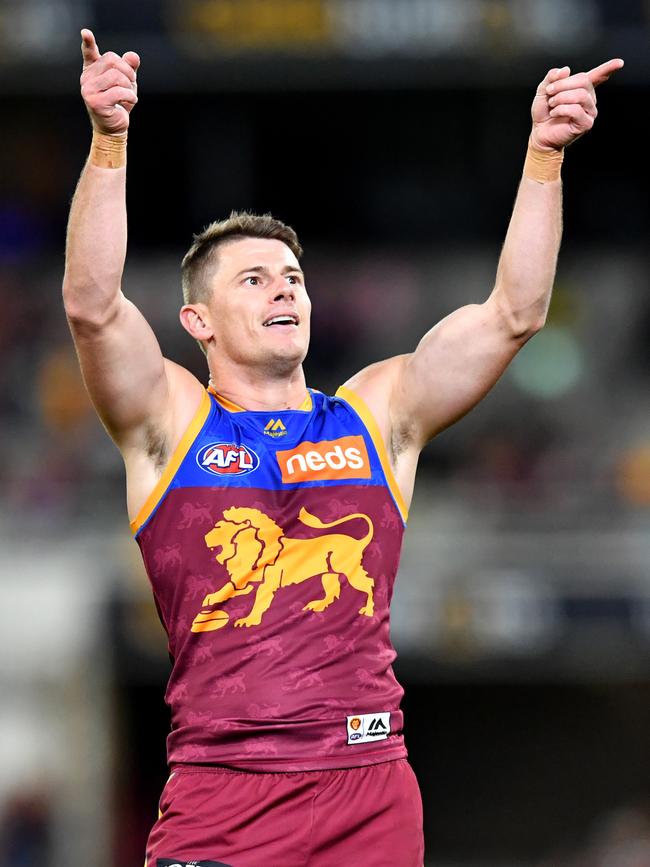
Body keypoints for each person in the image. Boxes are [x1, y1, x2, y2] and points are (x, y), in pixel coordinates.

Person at [64, 28, 623, 867]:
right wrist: (110, 142)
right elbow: (92, 305)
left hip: (368, 784)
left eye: (292, 275)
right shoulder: (172, 422)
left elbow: (513, 313)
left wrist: (544, 156)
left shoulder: (375, 413)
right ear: (198, 322)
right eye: (253, 279)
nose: (284, 286)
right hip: (227, 789)